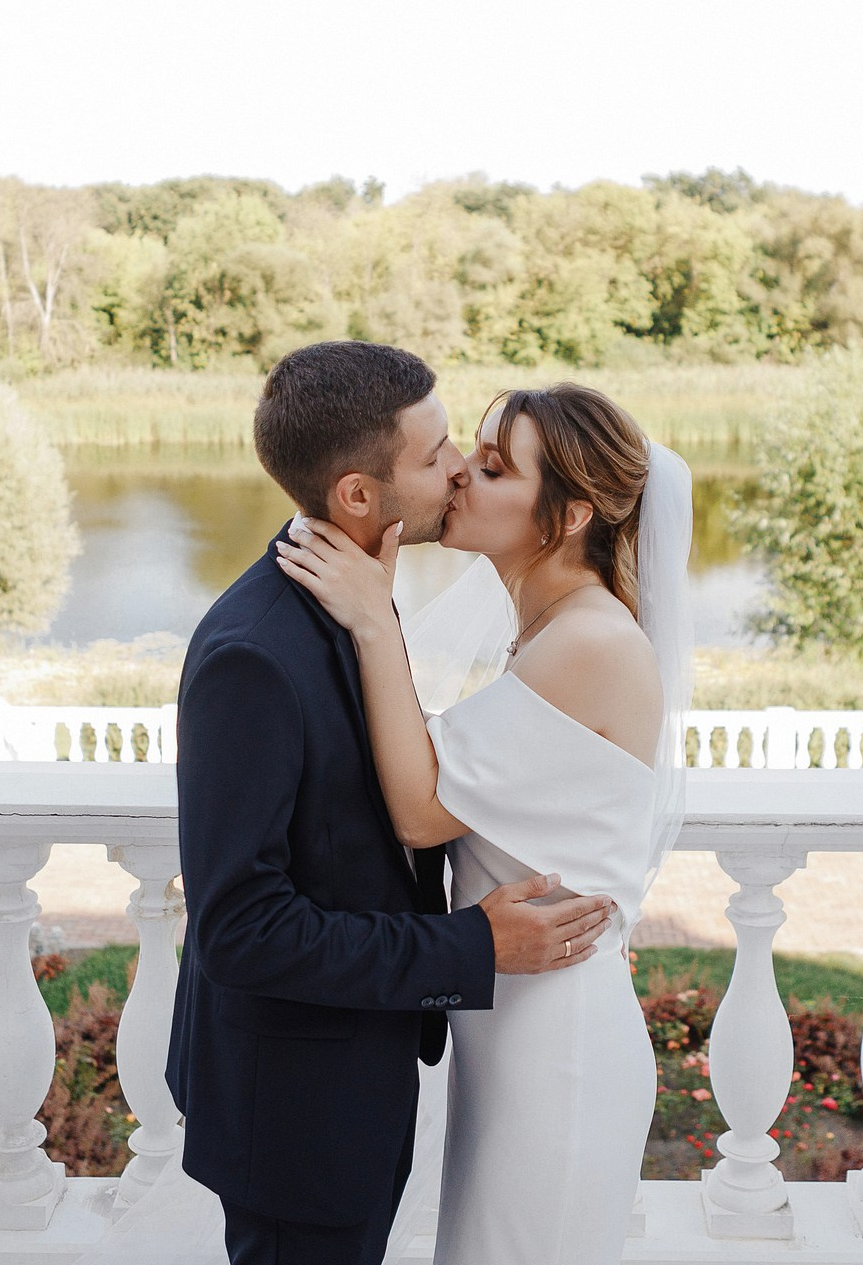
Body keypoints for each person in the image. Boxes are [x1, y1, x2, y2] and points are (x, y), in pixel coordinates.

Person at [165, 341, 621, 1265]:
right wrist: (472, 947)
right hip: (292, 1109)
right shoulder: (256, 653)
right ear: (357, 496)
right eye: (436, 453)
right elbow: (240, 928)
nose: (457, 468)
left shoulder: (355, 596)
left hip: (351, 1084)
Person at [274, 381, 690, 1265]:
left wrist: (373, 623)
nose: (460, 472)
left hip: (557, 1049)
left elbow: (424, 812)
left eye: (495, 468)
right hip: (514, 1031)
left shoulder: (589, 640)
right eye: (469, 450)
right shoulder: (548, 630)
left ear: (570, 513)